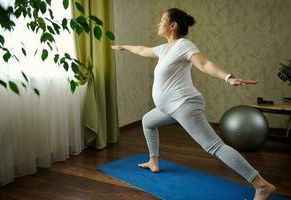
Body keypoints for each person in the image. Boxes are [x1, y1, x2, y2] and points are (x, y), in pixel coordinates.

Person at [111, 8, 275, 200]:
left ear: (173, 25)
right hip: (169, 108)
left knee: (215, 147)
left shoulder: (184, 45)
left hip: (184, 104)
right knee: (148, 121)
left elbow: (203, 64)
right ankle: (153, 161)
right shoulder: (165, 49)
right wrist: (123, 46)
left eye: (162, 20)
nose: (158, 23)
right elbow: (143, 50)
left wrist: (228, 77)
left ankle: (261, 185)